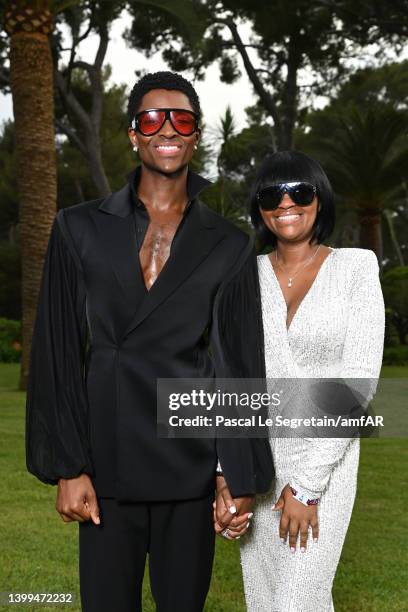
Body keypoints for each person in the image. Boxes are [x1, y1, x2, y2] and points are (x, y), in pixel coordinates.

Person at [25, 71, 274, 612]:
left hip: (188, 466)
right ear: (134, 133)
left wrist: (236, 470)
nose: (167, 128)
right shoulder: (77, 227)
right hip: (106, 462)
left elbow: (236, 361)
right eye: (152, 118)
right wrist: (69, 467)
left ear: (195, 134)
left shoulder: (230, 244)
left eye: (181, 119)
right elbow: (59, 353)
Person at [215, 151, 385, 611]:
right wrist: (226, 474)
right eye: (272, 194)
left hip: (325, 464)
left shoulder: (356, 267)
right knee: (269, 601)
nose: (286, 202)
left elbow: (358, 383)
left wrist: (307, 486)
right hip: (259, 464)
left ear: (319, 198)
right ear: (259, 207)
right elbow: (231, 379)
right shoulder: (243, 277)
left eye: (300, 191)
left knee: (296, 601)